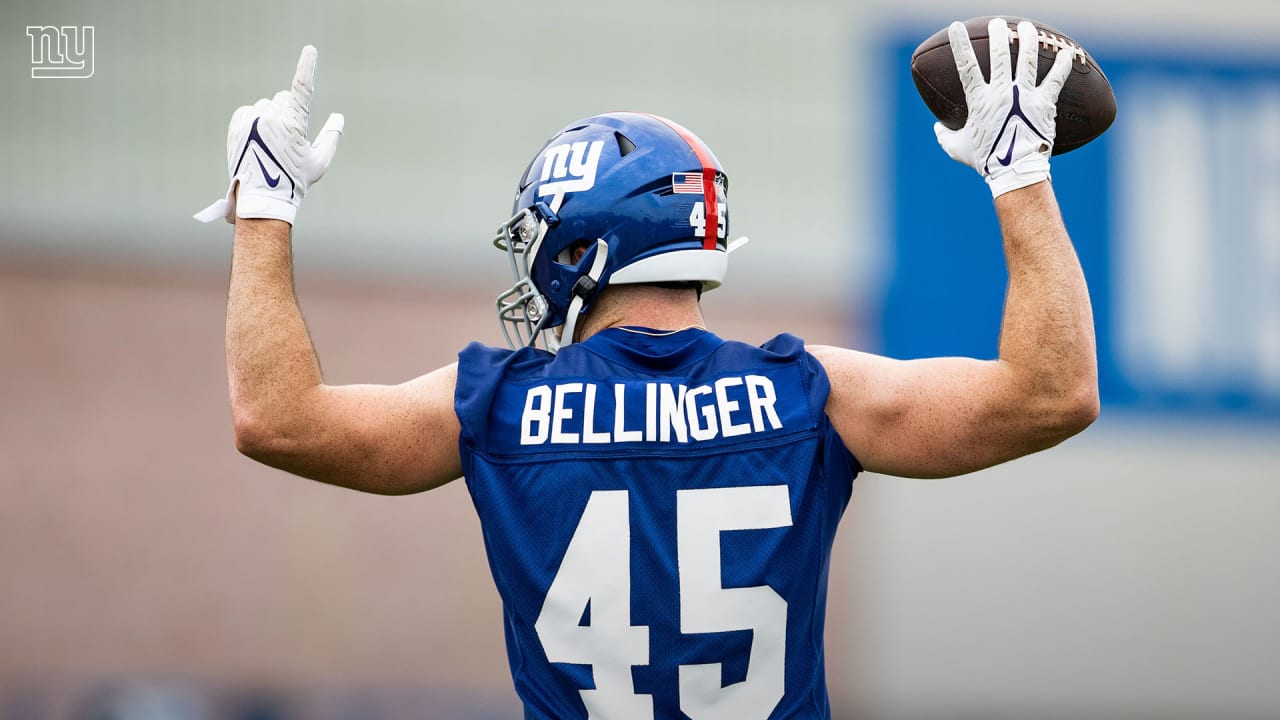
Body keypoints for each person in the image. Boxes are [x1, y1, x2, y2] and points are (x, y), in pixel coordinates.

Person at [197, 18, 1097, 720]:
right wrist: (1020, 174)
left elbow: (276, 418)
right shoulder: (810, 397)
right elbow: (1052, 392)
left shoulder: (500, 407)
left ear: (583, 248)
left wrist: (266, 212)